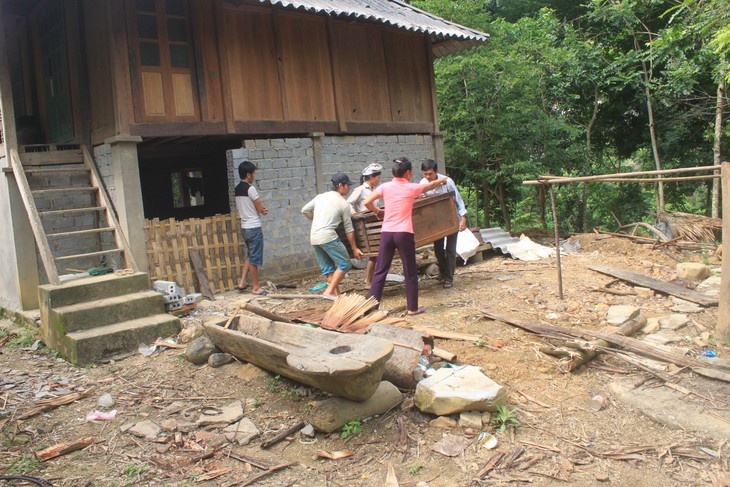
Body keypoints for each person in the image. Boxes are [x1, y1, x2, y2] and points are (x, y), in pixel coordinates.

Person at [363, 158, 447, 315]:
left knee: (380, 271)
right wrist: (442, 179)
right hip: (404, 233)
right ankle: (412, 308)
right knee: (409, 271)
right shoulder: (411, 188)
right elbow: (430, 185)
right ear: (408, 173)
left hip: (387, 233)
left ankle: (371, 309)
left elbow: (367, 202)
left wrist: (377, 211)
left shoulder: (385, 187)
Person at [301, 173, 364, 300]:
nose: (349, 188)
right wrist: (355, 248)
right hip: (328, 237)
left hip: (314, 238)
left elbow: (304, 210)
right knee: (345, 264)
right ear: (340, 185)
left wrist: (317, 220)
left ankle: (337, 297)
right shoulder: (343, 203)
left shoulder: (320, 197)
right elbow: (349, 229)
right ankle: (329, 291)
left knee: (329, 269)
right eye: (347, 185)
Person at [420, 159, 468, 289]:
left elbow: (458, 199)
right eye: (425, 174)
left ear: (436, 171)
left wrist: (463, 218)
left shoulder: (448, 182)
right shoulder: (423, 184)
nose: (427, 177)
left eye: (430, 174)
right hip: (435, 223)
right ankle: (444, 272)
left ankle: (448, 278)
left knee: (451, 250)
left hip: (451, 219)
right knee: (438, 250)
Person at [235, 161, 268, 295]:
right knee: (254, 258)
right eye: (253, 173)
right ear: (248, 174)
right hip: (253, 226)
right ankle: (256, 287)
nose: (254, 175)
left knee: (250, 255)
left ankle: (242, 282)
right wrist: (263, 210)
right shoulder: (251, 188)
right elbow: (259, 207)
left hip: (244, 227)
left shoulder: (237, 188)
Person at [347, 163, 383, 286]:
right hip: (366, 226)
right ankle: (369, 281)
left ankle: (371, 280)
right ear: (371, 177)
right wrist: (356, 215)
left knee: (377, 254)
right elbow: (348, 203)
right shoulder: (360, 190)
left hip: (375, 224)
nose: (379, 180)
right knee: (374, 255)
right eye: (377, 177)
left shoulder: (374, 190)